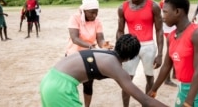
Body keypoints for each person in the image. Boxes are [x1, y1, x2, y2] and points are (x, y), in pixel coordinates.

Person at [40, 34, 168, 107]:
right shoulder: (115, 67)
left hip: (49, 80)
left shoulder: (105, 52)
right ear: (131, 57)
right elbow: (144, 100)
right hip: (60, 88)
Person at [147, 0, 198, 107]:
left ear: (177, 12)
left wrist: (188, 103)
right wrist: (153, 89)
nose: (162, 16)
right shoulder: (171, 36)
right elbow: (166, 66)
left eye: (165, 12)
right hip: (184, 89)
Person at [116, 0, 163, 107]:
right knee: (126, 79)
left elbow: (159, 30)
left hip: (148, 46)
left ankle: (147, 105)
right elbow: (120, 30)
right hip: (131, 47)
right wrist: (120, 51)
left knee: (149, 77)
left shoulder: (153, 6)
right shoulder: (122, 8)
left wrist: (160, 54)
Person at [65, 0, 113, 107]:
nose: (94, 15)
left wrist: (105, 45)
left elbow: (100, 39)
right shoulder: (75, 18)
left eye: (96, 12)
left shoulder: (97, 21)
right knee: (70, 84)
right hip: (73, 55)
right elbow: (75, 38)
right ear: (84, 11)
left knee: (88, 84)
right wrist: (90, 46)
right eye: (92, 12)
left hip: (88, 57)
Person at [159, 0, 183, 87]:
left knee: (177, 50)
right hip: (169, 29)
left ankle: (175, 74)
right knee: (171, 52)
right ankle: (167, 79)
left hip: (173, 28)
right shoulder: (167, 0)